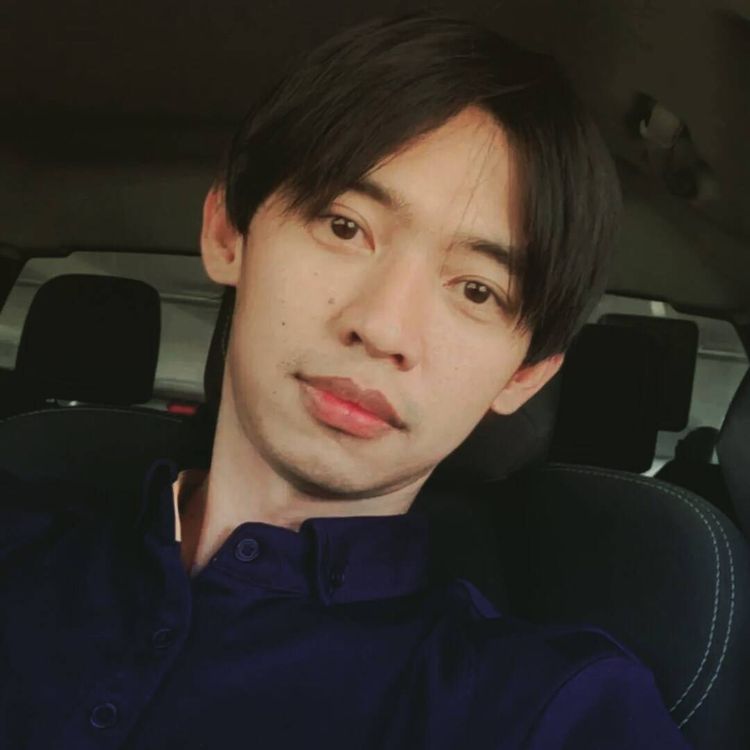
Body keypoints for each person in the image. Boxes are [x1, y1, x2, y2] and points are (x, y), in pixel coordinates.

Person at [0, 12, 691, 749]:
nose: (384, 328)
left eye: (477, 290)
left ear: (524, 375)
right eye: (344, 226)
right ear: (229, 233)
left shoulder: (544, 709)